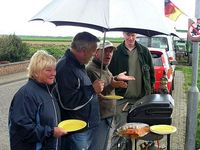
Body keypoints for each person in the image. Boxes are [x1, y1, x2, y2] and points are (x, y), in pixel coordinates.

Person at [8, 50, 67, 150]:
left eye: (54, 69)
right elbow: (22, 127)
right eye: (48, 70)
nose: (53, 73)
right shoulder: (26, 94)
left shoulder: (49, 90)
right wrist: (51, 132)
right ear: (36, 72)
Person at [55, 32, 104, 150]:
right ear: (82, 50)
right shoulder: (66, 68)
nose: (93, 56)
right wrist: (92, 90)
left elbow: (80, 90)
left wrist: (95, 93)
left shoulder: (78, 65)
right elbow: (68, 102)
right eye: (92, 53)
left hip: (86, 126)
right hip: (76, 130)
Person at [108, 32, 155, 150]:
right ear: (123, 35)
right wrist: (117, 78)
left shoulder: (144, 52)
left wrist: (149, 92)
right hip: (121, 99)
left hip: (141, 100)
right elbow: (108, 76)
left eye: (133, 35)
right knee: (120, 130)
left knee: (139, 131)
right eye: (128, 35)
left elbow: (151, 75)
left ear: (136, 36)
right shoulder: (116, 52)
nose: (130, 38)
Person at [86, 40, 135, 150]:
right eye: (105, 51)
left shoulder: (105, 68)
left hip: (108, 115)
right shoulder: (91, 70)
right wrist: (113, 85)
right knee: (97, 147)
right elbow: (95, 94)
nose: (109, 54)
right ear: (96, 52)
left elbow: (106, 83)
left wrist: (116, 78)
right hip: (99, 117)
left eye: (111, 52)